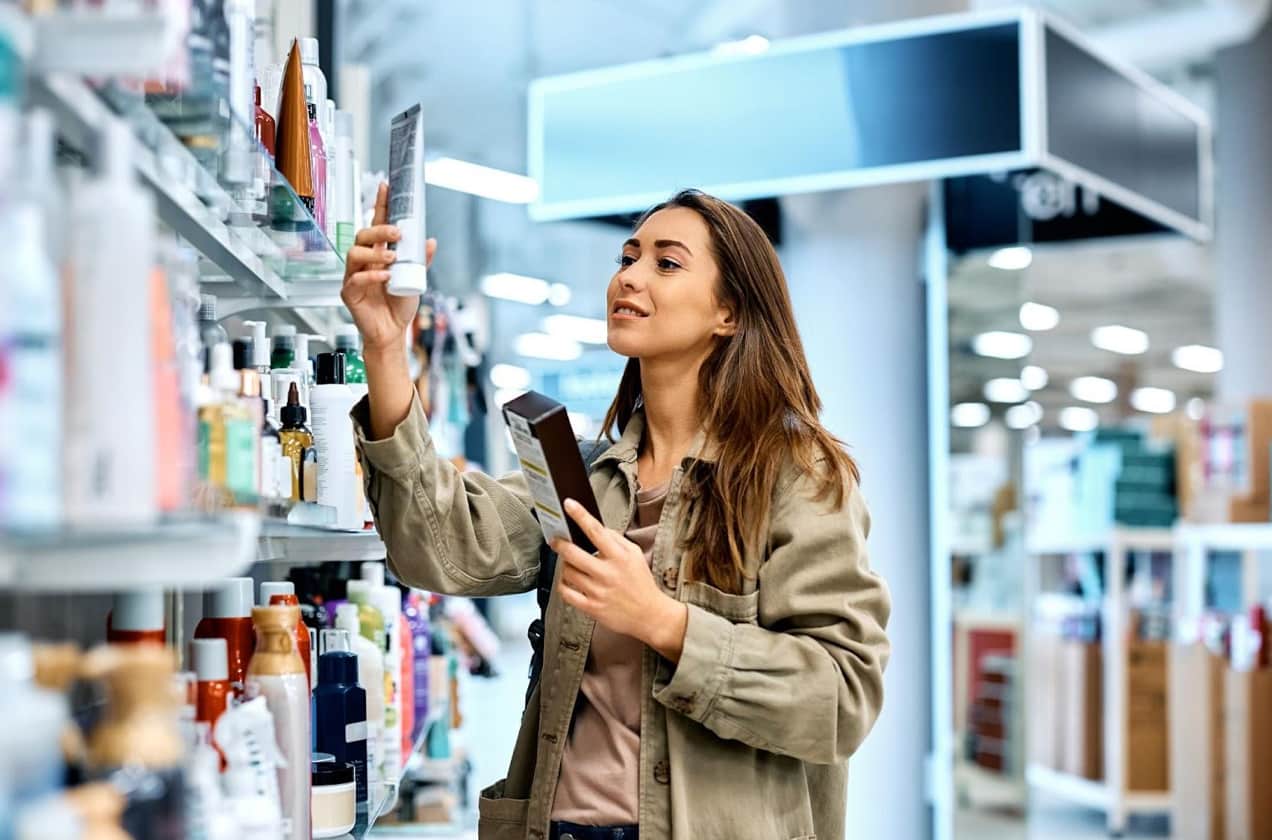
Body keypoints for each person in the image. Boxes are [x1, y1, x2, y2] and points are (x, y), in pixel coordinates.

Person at [342, 187, 891, 840]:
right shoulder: (589, 478)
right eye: (628, 256)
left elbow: (840, 699)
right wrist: (384, 346)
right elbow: (439, 546)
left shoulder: (795, 477)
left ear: (729, 313)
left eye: (666, 262)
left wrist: (665, 623)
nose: (628, 275)